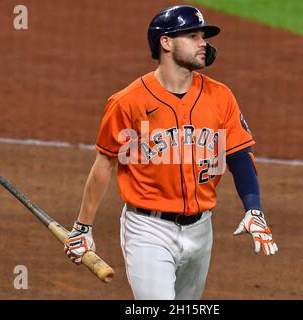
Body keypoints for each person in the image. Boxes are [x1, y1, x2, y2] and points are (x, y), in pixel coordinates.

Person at [64, 5, 278, 300]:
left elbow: (239, 155)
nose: (203, 43)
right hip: (148, 230)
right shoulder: (127, 102)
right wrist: (82, 227)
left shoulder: (221, 96)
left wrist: (254, 208)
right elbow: (105, 163)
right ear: (165, 42)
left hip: (202, 229)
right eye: (192, 36)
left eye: (203, 36)